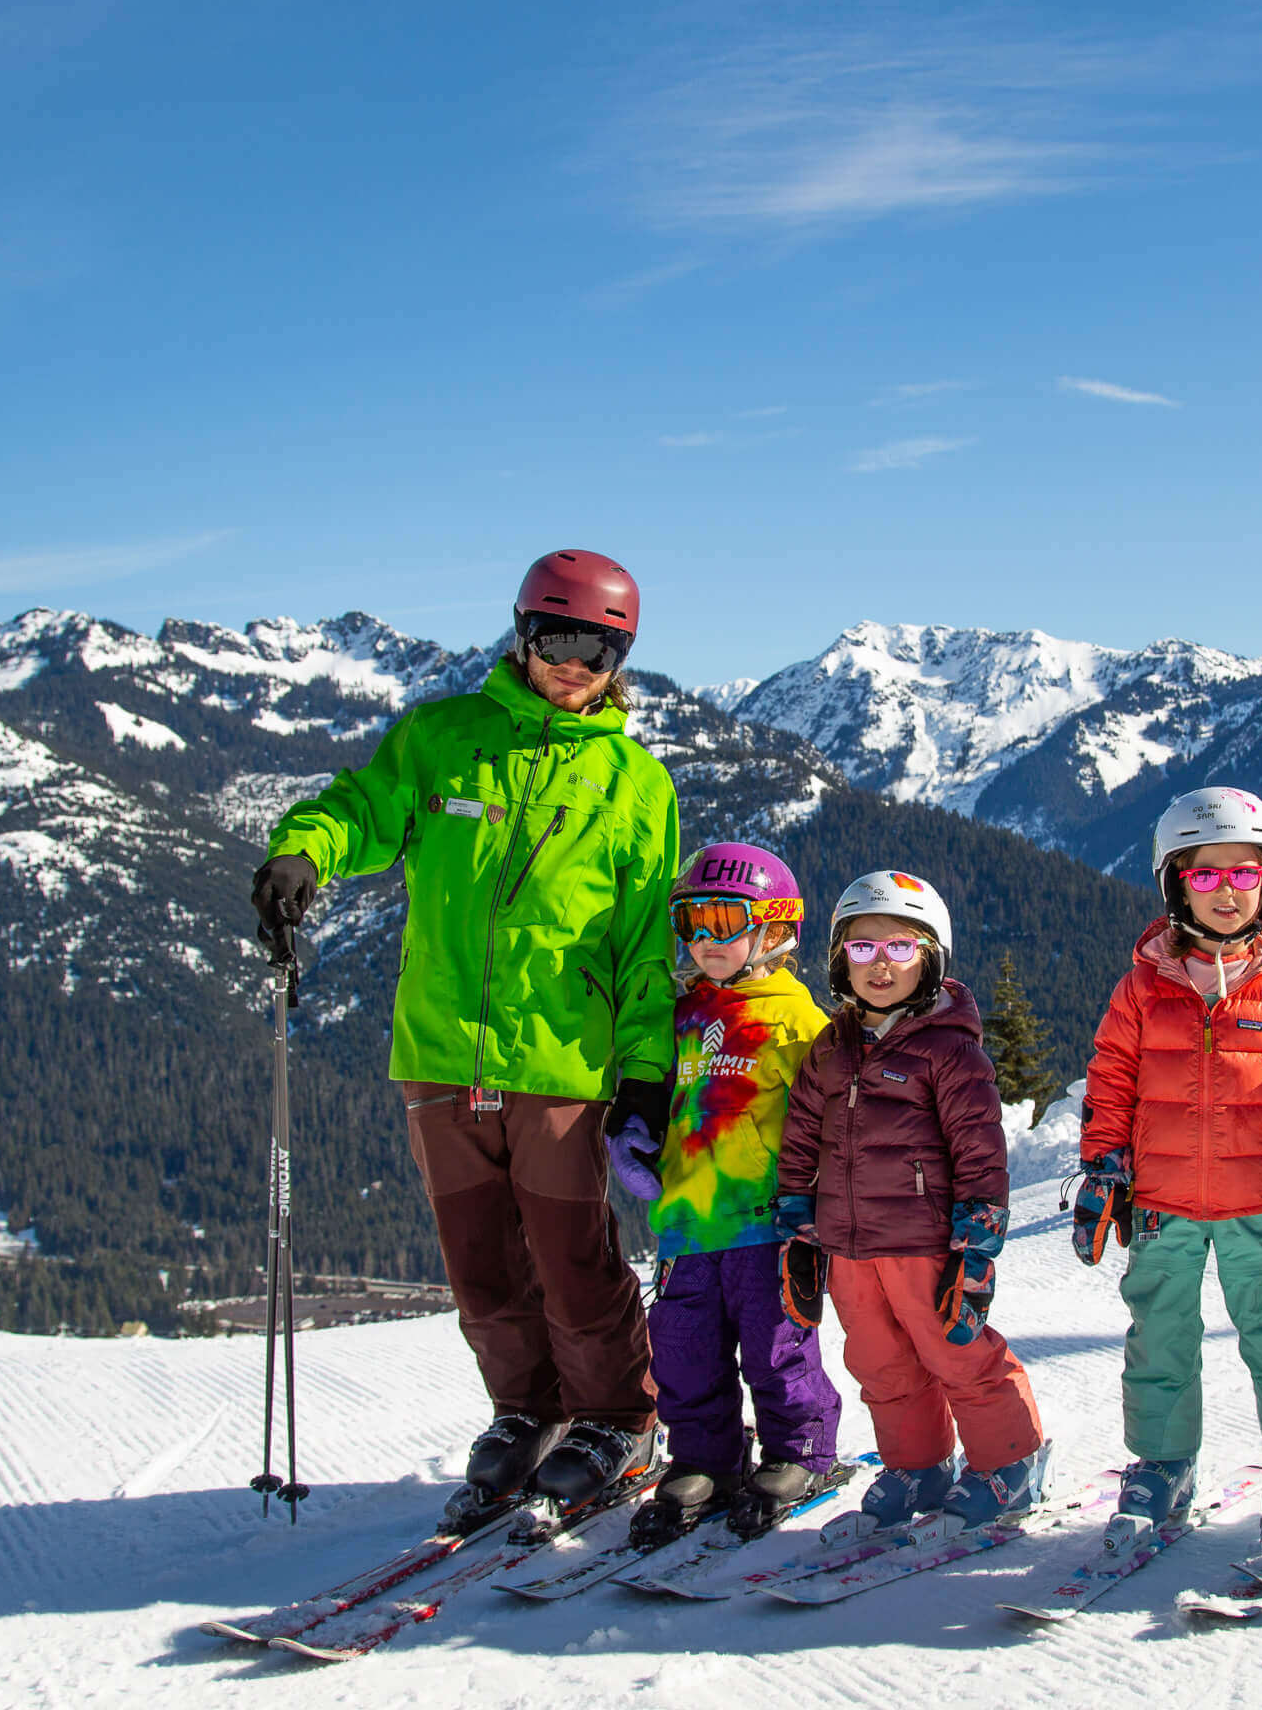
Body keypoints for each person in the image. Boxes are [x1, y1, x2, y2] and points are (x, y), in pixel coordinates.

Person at [250, 549, 678, 1526]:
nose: (576, 665)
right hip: (441, 1055)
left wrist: (648, 1074)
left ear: (622, 657)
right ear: (524, 634)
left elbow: (647, 943)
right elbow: (362, 810)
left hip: (562, 1061)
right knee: (481, 1265)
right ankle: (525, 1409)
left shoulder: (636, 783)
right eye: (559, 640)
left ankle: (617, 1417)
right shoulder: (443, 739)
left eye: (601, 648)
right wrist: (303, 853)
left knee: (574, 1257)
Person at [1072, 786, 1262, 1556]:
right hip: (1161, 1203)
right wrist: (1103, 1171)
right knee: (1159, 1336)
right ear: (1173, 884)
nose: (1226, 892)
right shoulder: (1141, 990)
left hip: (1255, 1201)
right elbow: (1110, 1083)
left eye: (1243, 874)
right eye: (1204, 876)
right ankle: (1162, 1464)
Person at [774, 870, 1048, 1538]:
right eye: (862, 949)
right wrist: (797, 1223)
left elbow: (980, 1151)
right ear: (840, 959)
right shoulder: (830, 1048)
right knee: (879, 1362)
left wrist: (978, 1238)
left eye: (900, 947)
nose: (880, 964)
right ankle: (917, 1465)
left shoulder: (949, 1049)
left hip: (926, 1242)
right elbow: (802, 1138)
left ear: (931, 957)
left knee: (957, 1351)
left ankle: (1011, 1463)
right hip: (848, 1244)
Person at [605, 841, 847, 1544]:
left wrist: (825, 1194)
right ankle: (704, 1457)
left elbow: (834, 1112)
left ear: (774, 928)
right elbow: (656, 1089)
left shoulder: (795, 1019)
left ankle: (800, 1450)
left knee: (777, 1344)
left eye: (724, 921)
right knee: (682, 1348)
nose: (705, 941)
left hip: (768, 1222)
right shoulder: (681, 1015)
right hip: (686, 1222)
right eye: (691, 922)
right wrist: (638, 1131)